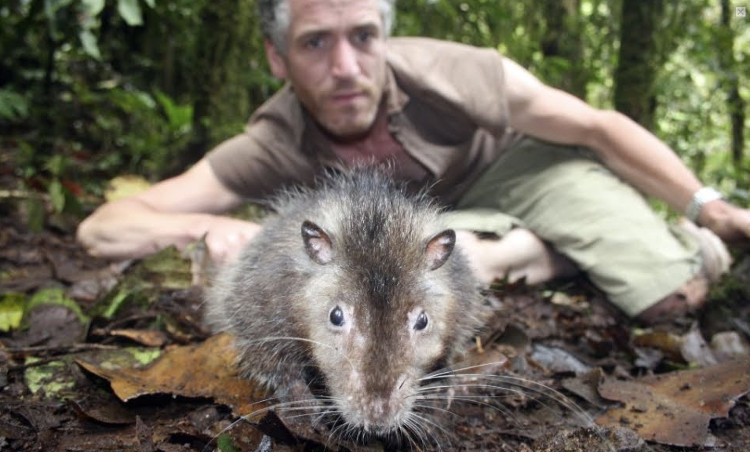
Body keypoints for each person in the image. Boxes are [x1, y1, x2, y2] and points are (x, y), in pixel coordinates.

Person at [77, 0, 750, 322]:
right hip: (441, 226)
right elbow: (104, 226)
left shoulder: (450, 73)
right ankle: (546, 254)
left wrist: (706, 203)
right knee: (407, 272)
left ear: (384, 37)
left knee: (672, 301)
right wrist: (204, 229)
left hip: (525, 172)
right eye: (315, 44)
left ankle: (689, 244)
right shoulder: (274, 138)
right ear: (277, 60)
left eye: (363, 37)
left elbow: (599, 127)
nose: (346, 68)